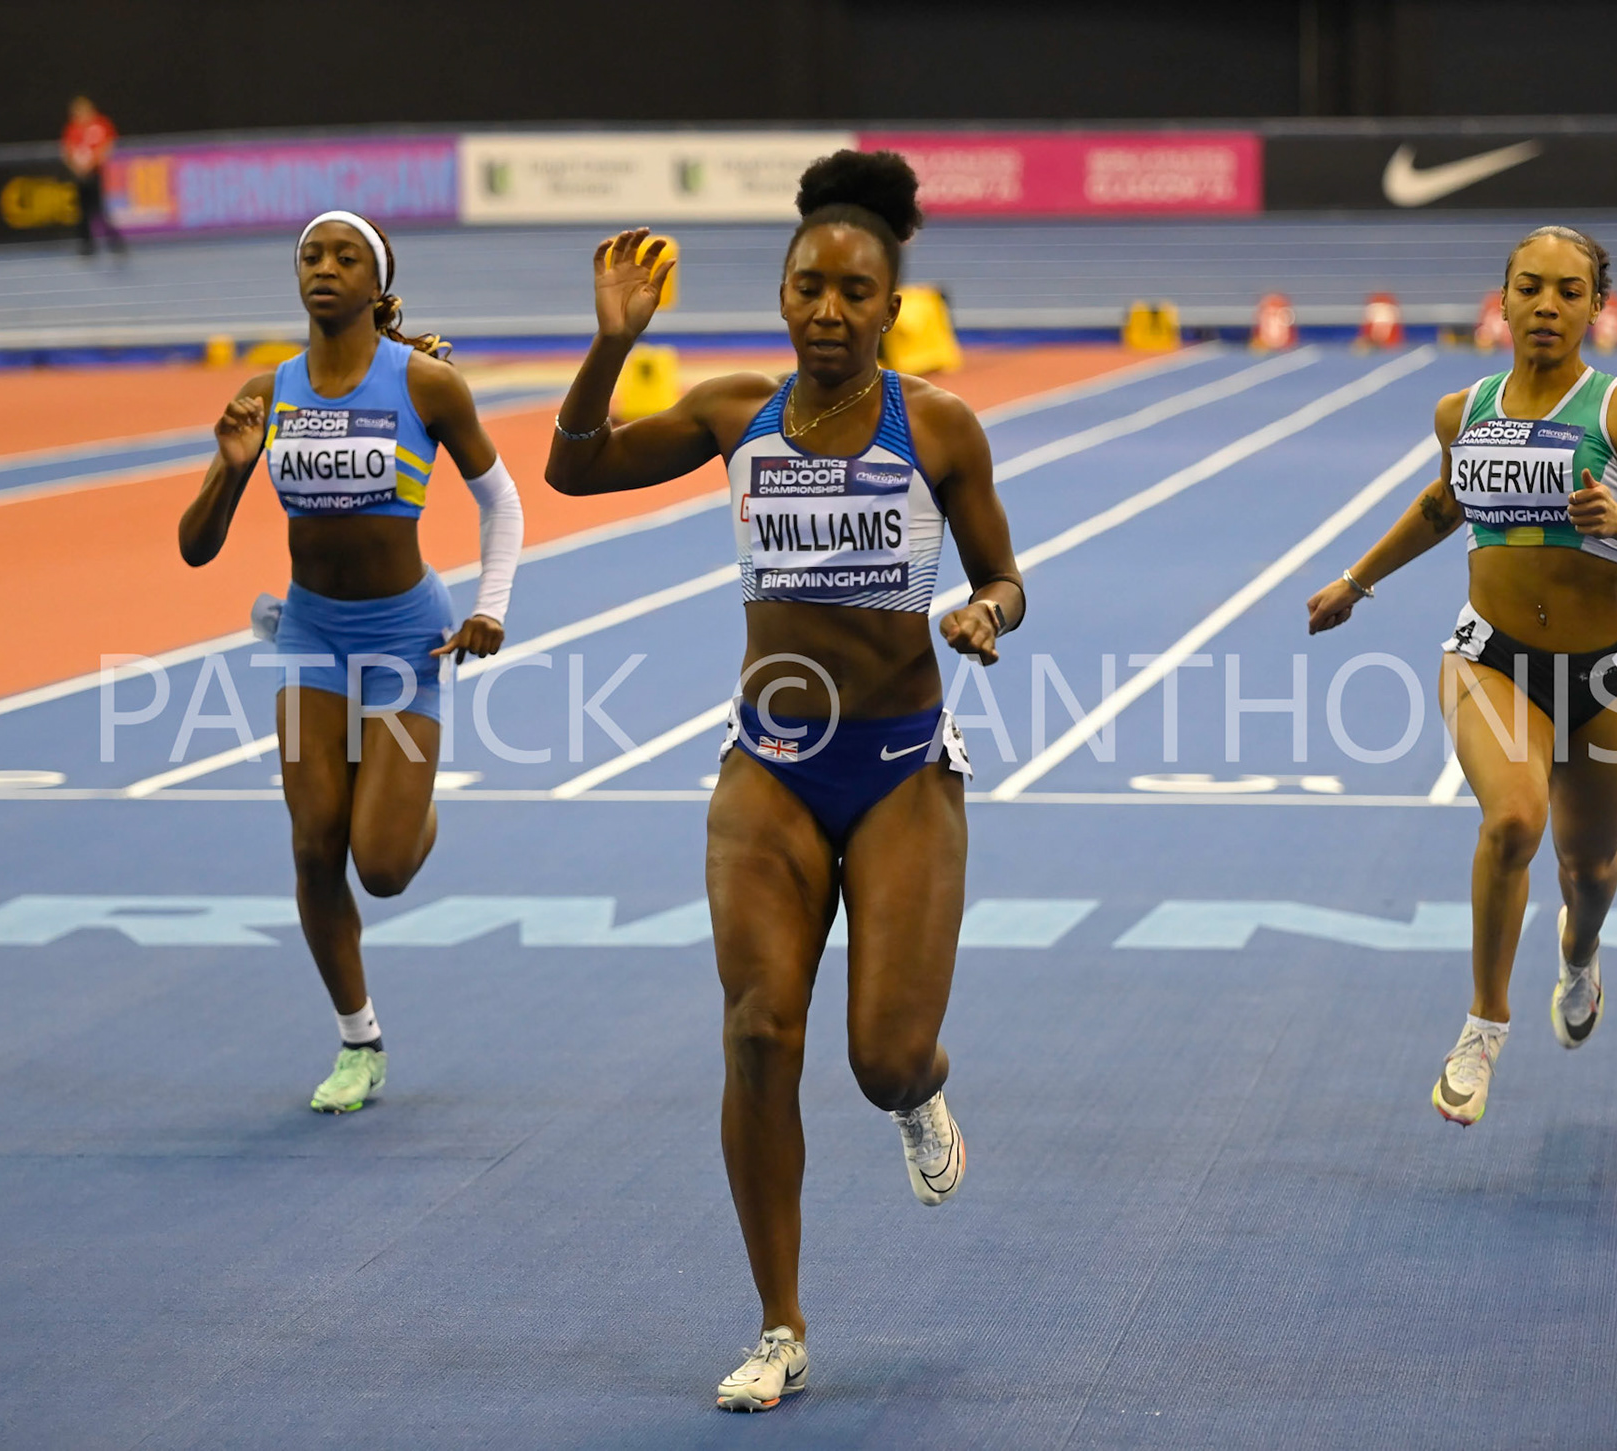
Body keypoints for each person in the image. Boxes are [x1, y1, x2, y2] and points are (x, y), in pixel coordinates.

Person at [544, 150, 1025, 1410]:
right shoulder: (731, 413)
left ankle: (920, 1091)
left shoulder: (940, 428)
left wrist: (984, 612)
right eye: (808, 285)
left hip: (902, 763)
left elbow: (1005, 577)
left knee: (881, 1054)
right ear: (780, 293)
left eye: (854, 292)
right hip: (770, 763)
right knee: (759, 1030)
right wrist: (606, 345)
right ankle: (780, 1323)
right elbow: (574, 468)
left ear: (891, 307)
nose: (828, 309)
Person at [1307, 225, 1617, 1127]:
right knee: (1514, 820)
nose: (1547, 306)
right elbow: (1441, 505)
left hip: (1604, 675)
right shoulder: (1464, 410)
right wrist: (1356, 580)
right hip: (1489, 659)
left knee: (1591, 867)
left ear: (1597, 307)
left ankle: (1579, 952)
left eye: (1569, 291)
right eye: (1530, 287)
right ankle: (1484, 1024)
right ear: (1503, 296)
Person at [178, 211, 524, 1113]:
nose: (323, 269)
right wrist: (228, 467)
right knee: (312, 842)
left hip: (408, 637)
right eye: (310, 256)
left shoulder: (427, 384)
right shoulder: (269, 390)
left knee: (382, 864)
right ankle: (358, 1038)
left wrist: (491, 608)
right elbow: (194, 548)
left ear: (378, 282)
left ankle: (411, 809)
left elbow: (504, 502)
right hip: (311, 635)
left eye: (344, 258)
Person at [60, 96, 124, 257]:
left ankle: (115, 242)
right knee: (82, 211)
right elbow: (66, 150)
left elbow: (108, 145)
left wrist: (92, 164)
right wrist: (76, 168)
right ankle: (86, 245)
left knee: (100, 209)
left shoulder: (101, 124)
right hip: (79, 175)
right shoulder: (72, 128)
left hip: (95, 173)